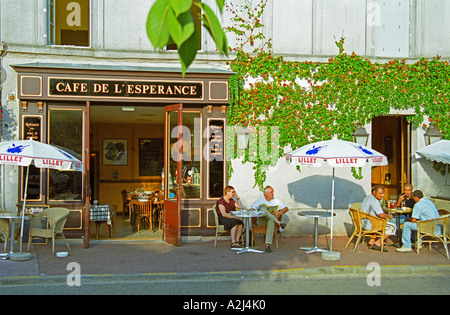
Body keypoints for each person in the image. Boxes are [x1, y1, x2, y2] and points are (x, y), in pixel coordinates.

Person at [250, 186, 288, 253]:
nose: (273, 193)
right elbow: (252, 209)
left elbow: (286, 208)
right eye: (271, 192)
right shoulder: (260, 201)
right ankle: (278, 222)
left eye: (273, 192)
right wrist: (253, 210)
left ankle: (267, 245)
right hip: (261, 221)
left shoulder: (276, 201)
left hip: (271, 221)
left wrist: (279, 212)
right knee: (262, 208)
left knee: (271, 221)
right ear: (265, 193)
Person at [360, 185, 396, 252]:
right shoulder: (374, 201)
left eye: (382, 193)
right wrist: (389, 215)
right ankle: (378, 243)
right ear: (374, 192)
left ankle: (372, 240)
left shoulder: (367, 198)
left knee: (378, 221)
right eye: (380, 193)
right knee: (393, 227)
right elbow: (381, 215)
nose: (382, 195)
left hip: (363, 222)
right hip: (370, 224)